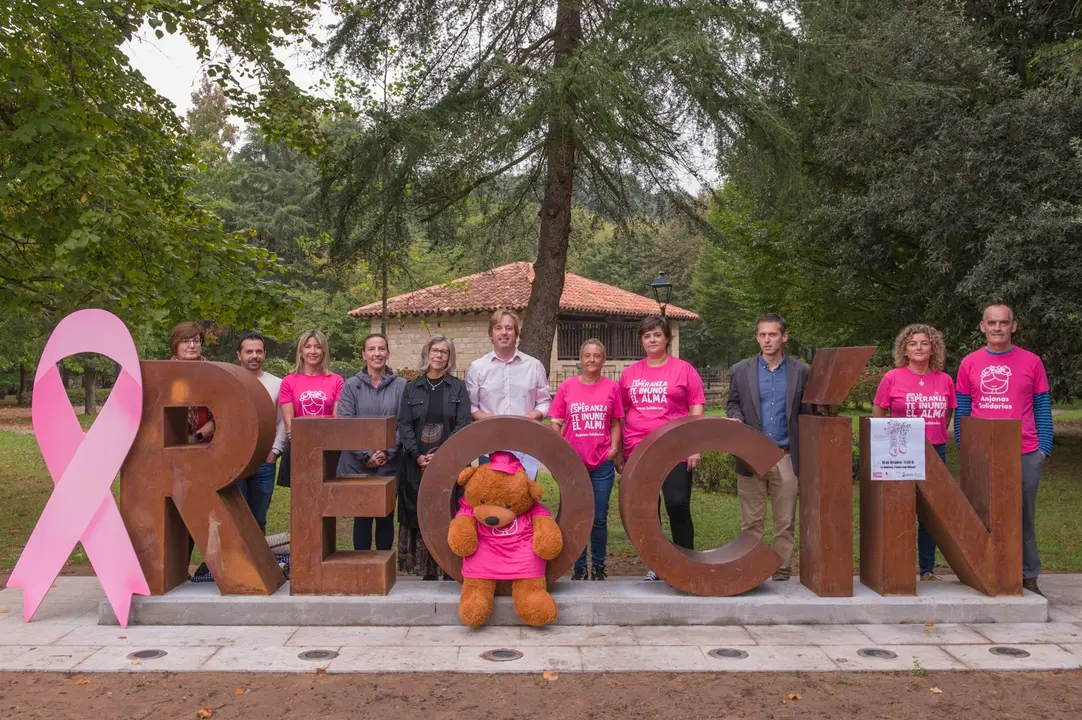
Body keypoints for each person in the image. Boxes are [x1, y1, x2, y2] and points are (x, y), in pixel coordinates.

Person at [955, 303, 1052, 596]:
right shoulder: (969, 363)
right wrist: (967, 448)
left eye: (1004, 322)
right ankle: (986, 571)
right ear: (982, 326)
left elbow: (1043, 408)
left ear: (1014, 326)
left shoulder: (1032, 362)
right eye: (992, 323)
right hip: (982, 453)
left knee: (1022, 515)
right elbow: (962, 412)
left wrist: (1043, 449)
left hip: (1025, 451)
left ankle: (1027, 576)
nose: (998, 328)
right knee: (982, 513)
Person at [617, 315, 706, 581]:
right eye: (647, 335)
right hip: (638, 449)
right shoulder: (630, 373)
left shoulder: (684, 370)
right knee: (646, 509)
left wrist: (695, 446)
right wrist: (620, 449)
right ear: (641, 340)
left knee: (677, 504)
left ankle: (685, 562)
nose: (652, 339)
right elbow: (621, 413)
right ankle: (656, 563)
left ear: (667, 338)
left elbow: (696, 408)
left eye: (657, 334)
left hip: (674, 448)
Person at [725, 313, 810, 582]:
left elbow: (807, 412)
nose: (767, 340)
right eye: (762, 335)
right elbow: (732, 403)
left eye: (772, 334)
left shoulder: (801, 371)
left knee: (785, 522)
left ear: (784, 337)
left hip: (785, 455)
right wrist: (735, 416)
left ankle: (782, 570)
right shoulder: (741, 370)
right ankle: (752, 567)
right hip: (751, 455)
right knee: (751, 521)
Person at [873, 323, 956, 581]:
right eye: (913, 343)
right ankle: (897, 567)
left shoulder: (944, 379)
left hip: (935, 451)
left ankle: (927, 569)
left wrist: (934, 432)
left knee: (929, 513)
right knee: (899, 509)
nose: (919, 348)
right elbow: (879, 413)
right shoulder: (892, 378)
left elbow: (948, 412)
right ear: (904, 350)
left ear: (933, 348)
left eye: (924, 343)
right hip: (900, 453)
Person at [397, 334, 472, 579]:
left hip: (449, 463)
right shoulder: (412, 387)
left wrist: (442, 456)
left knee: (448, 510)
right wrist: (417, 455)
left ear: (449, 358)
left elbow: (463, 424)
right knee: (422, 512)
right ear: (427, 353)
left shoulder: (458, 387)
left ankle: (449, 567)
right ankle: (424, 569)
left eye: (444, 352)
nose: (438, 355)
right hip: (416, 463)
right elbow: (404, 424)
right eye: (435, 350)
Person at [549, 339, 623, 581]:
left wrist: (613, 449)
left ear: (604, 359)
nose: (592, 360)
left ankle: (599, 566)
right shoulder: (568, 387)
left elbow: (615, 422)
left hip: (602, 462)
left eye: (597, 355)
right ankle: (579, 566)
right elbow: (556, 421)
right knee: (576, 514)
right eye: (588, 355)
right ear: (581, 359)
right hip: (574, 464)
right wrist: (560, 450)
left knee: (599, 517)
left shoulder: (612, 387)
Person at [337, 333, 406, 552]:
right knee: (363, 517)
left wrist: (387, 451)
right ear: (364, 354)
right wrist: (366, 454)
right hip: (359, 465)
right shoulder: (351, 386)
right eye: (372, 349)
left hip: (390, 463)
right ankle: (362, 568)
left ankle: (383, 570)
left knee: (386, 515)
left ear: (387, 352)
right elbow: (345, 424)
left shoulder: (402, 386)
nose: (377, 354)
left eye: (381, 349)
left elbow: (405, 423)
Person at [464, 308, 551, 478]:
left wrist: (533, 416)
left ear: (516, 334)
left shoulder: (534, 366)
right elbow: (471, 406)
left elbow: (544, 401)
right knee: (491, 500)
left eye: (509, 328)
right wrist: (490, 418)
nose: (504, 333)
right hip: (489, 446)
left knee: (523, 500)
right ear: (491, 335)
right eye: (498, 328)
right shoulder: (477, 368)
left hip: (525, 447)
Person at [277, 329, 344, 489]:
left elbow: (337, 419)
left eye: (318, 347)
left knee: (327, 500)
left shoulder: (336, 380)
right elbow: (289, 424)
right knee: (301, 502)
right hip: (299, 446)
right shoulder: (288, 381)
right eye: (308, 346)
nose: (313, 351)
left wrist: (322, 446)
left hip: (329, 447)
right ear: (301, 351)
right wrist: (305, 446)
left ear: (324, 351)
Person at [235, 331, 287, 533]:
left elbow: (282, 422)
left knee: (258, 518)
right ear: (240, 355)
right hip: (234, 460)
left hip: (264, 461)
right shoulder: (229, 379)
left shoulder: (277, 384)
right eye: (249, 351)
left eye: (258, 351)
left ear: (265, 354)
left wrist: (274, 452)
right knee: (237, 517)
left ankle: (258, 563)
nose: (254, 355)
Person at [169, 322, 215, 444]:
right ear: (175, 345)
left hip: (210, 444)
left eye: (196, 340)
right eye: (185, 341)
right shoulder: (165, 374)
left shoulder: (214, 373)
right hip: (171, 444)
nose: (192, 345)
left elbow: (225, 411)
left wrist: (199, 435)